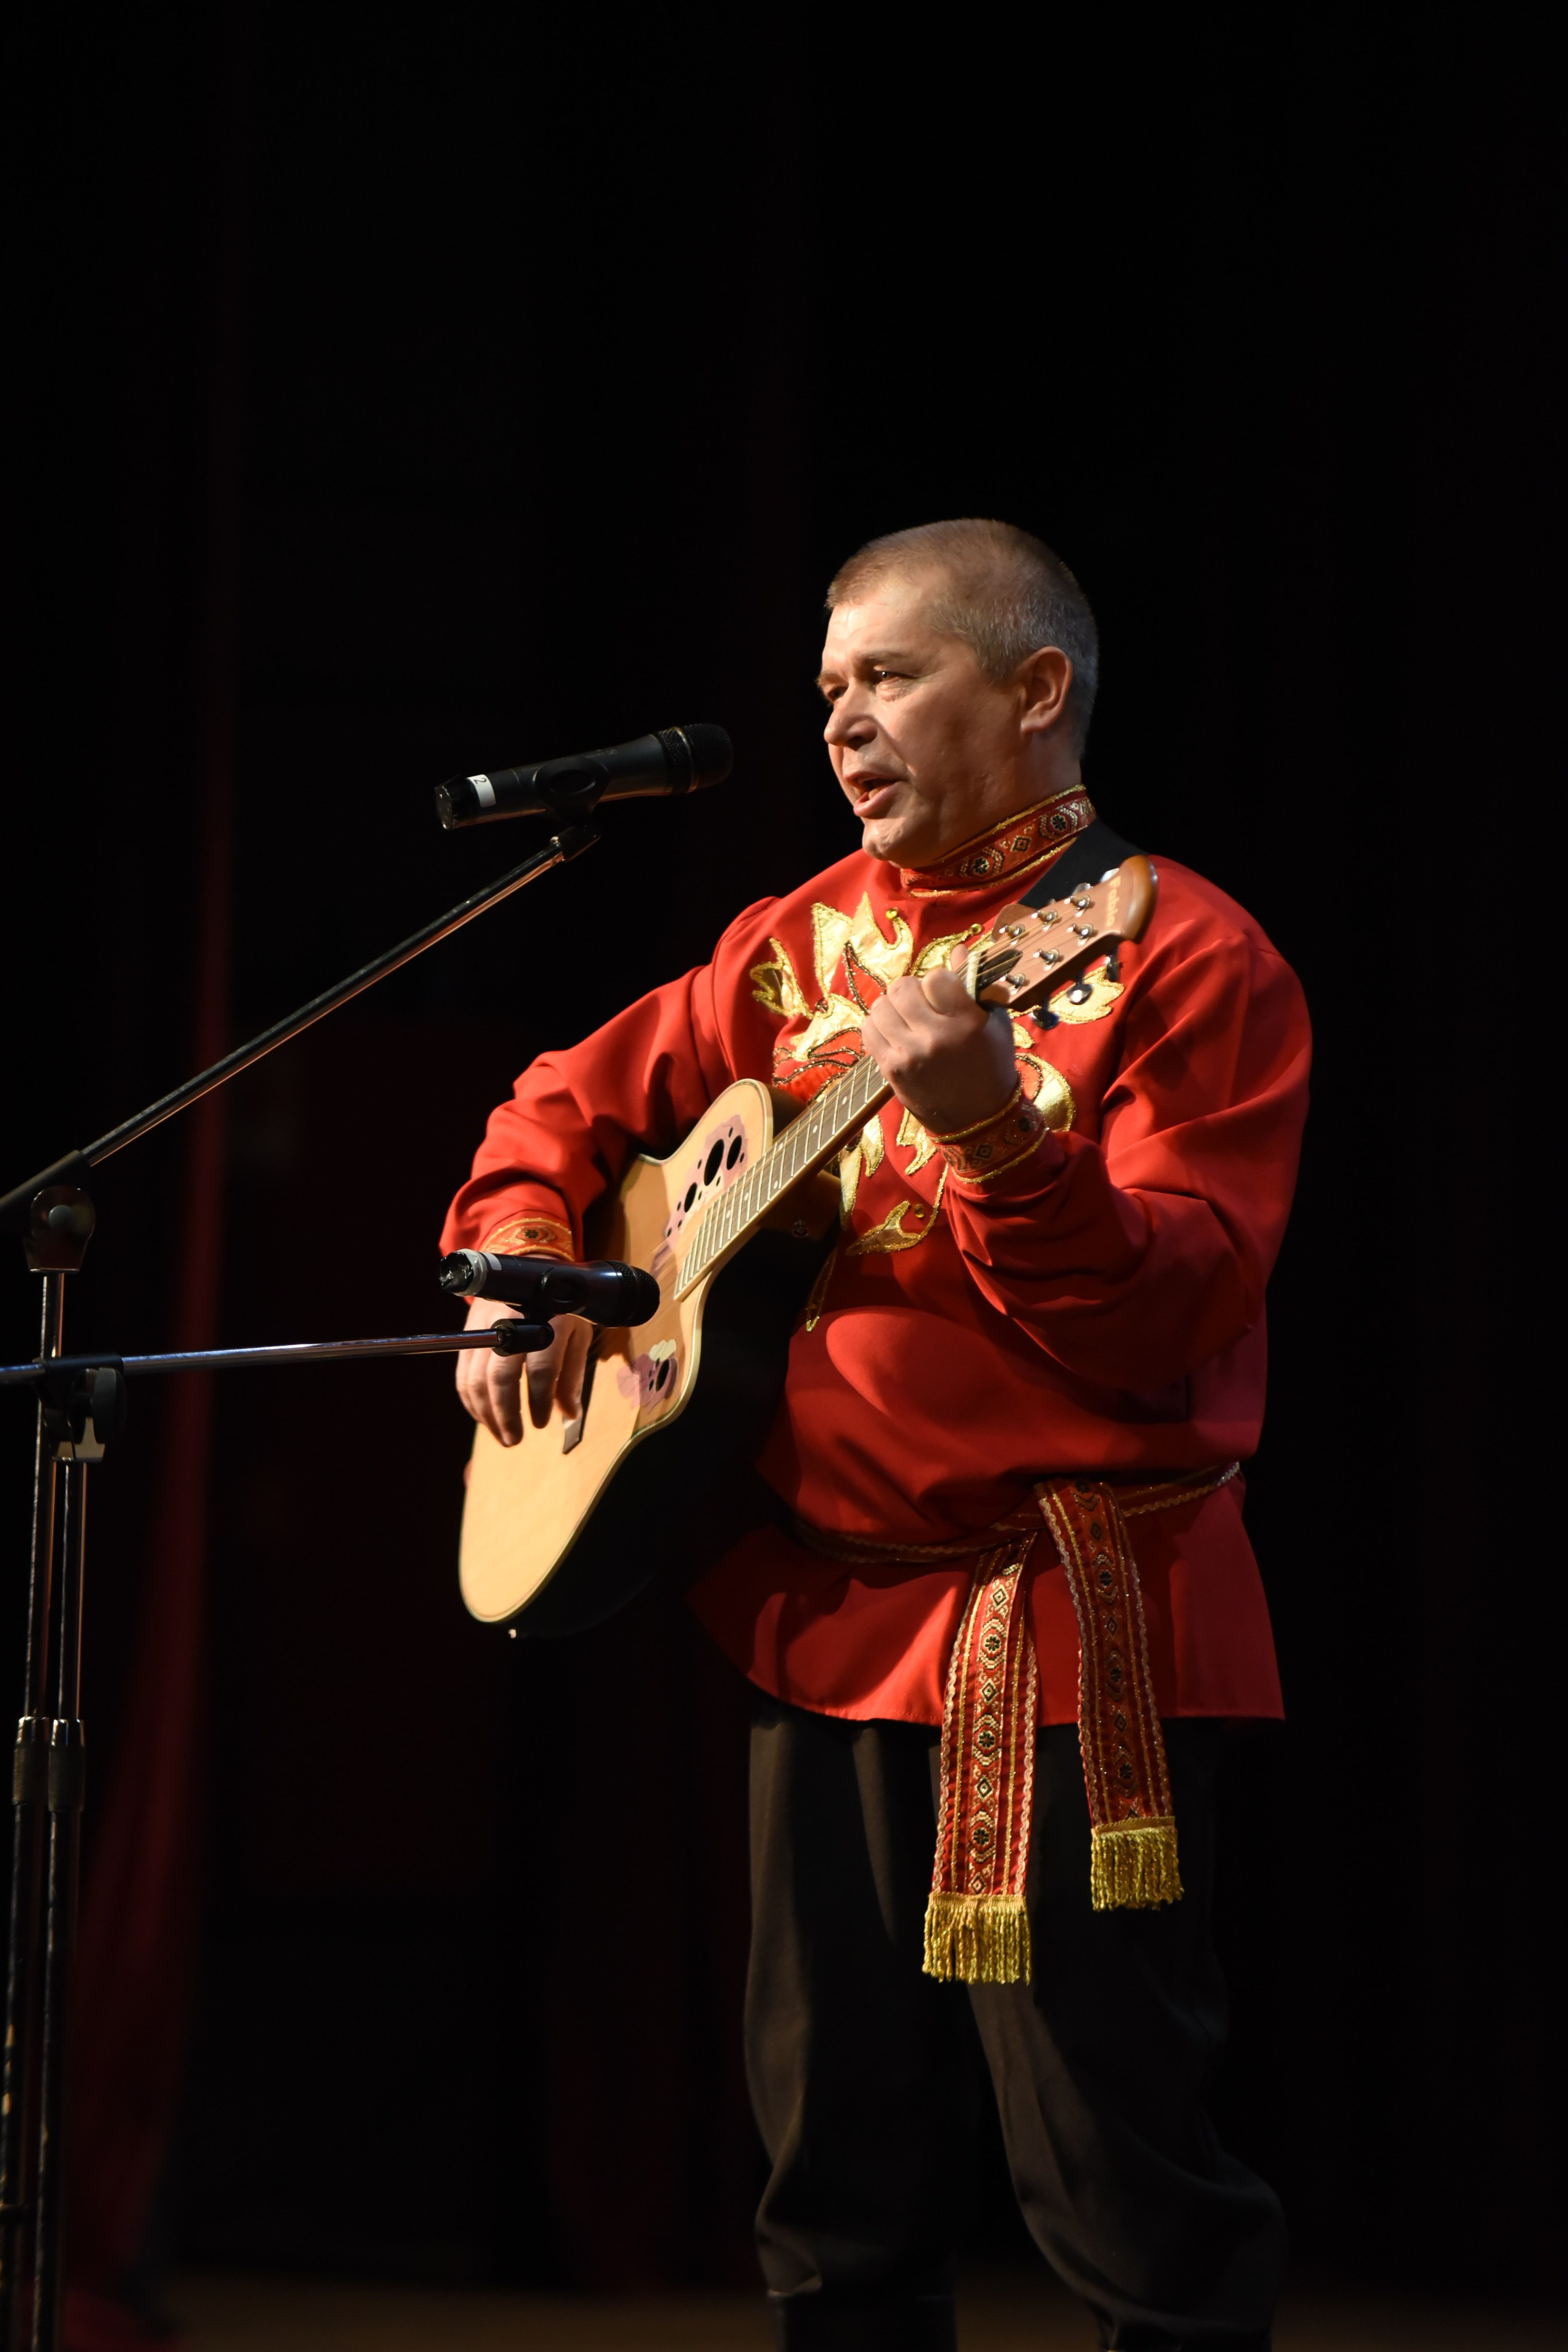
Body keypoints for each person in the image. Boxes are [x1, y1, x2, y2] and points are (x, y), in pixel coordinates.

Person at [442, 519, 1310, 2351]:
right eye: (830, 688)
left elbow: (1168, 1311)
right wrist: (522, 1260)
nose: (844, 722)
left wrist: (1000, 1133)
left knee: (1121, 2181)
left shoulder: (1182, 957)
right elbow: (563, 1100)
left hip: (1075, 1631)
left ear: (1038, 690)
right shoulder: (796, 943)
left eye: (891, 677)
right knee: (833, 2197)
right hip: (822, 1626)